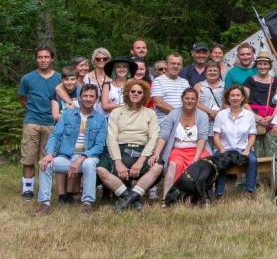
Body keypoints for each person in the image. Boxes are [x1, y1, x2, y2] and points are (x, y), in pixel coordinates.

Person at [34, 84, 104, 214]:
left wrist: (81, 158)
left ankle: (87, 203)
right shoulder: (67, 115)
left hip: (87, 157)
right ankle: (44, 204)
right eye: (85, 96)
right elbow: (55, 135)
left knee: (89, 164)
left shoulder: (100, 119)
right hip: (67, 156)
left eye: (91, 96)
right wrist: (49, 154)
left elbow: (99, 146)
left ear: (96, 99)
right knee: (45, 164)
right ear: (80, 97)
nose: (88, 99)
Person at [97, 79, 164, 212]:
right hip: (119, 149)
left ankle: (127, 199)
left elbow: (153, 139)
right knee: (101, 170)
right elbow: (111, 138)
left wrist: (140, 161)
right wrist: (118, 162)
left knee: (158, 166)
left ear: (144, 95)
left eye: (139, 92)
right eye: (133, 91)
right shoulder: (116, 112)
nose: (135, 94)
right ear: (127, 92)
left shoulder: (150, 113)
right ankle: (132, 199)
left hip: (142, 150)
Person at [150, 88, 213, 205]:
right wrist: (157, 153)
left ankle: (197, 199)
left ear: (196, 100)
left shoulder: (202, 115)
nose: (190, 101)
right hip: (178, 149)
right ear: (182, 99)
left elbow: (202, 138)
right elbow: (163, 135)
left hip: (198, 149)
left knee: (201, 165)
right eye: (187, 98)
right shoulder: (174, 114)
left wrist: (196, 157)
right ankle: (165, 199)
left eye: (193, 99)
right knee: (173, 165)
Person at [19, 47, 61, 201]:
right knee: (28, 157)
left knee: (46, 158)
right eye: (40, 57)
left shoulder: (59, 78)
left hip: (51, 123)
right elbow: (22, 98)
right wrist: (31, 110)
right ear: (36, 59)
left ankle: (44, 190)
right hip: (32, 122)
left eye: (46, 57)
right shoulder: (27, 78)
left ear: (52, 59)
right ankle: (27, 190)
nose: (43, 60)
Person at [213, 85, 258, 199]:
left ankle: (249, 191)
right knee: (219, 160)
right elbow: (216, 136)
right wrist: (221, 150)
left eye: (238, 95)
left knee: (252, 160)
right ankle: (219, 194)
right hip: (225, 149)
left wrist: (247, 149)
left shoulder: (249, 115)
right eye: (232, 95)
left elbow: (252, 136)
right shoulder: (221, 115)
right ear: (228, 98)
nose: (235, 98)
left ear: (242, 98)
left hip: (243, 149)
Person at [243, 52, 277, 139]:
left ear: (270, 66)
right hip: (252, 120)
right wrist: (255, 117)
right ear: (256, 65)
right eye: (260, 64)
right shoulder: (249, 81)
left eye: (265, 64)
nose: (262, 67)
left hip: (271, 120)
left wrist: (272, 117)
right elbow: (244, 102)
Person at [151, 54, 191, 121]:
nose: (175, 66)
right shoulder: (158, 81)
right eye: (173, 63)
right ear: (167, 65)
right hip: (165, 122)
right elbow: (159, 103)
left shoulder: (185, 82)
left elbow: (189, 101)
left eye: (178, 64)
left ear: (182, 66)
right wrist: (180, 115)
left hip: (183, 121)